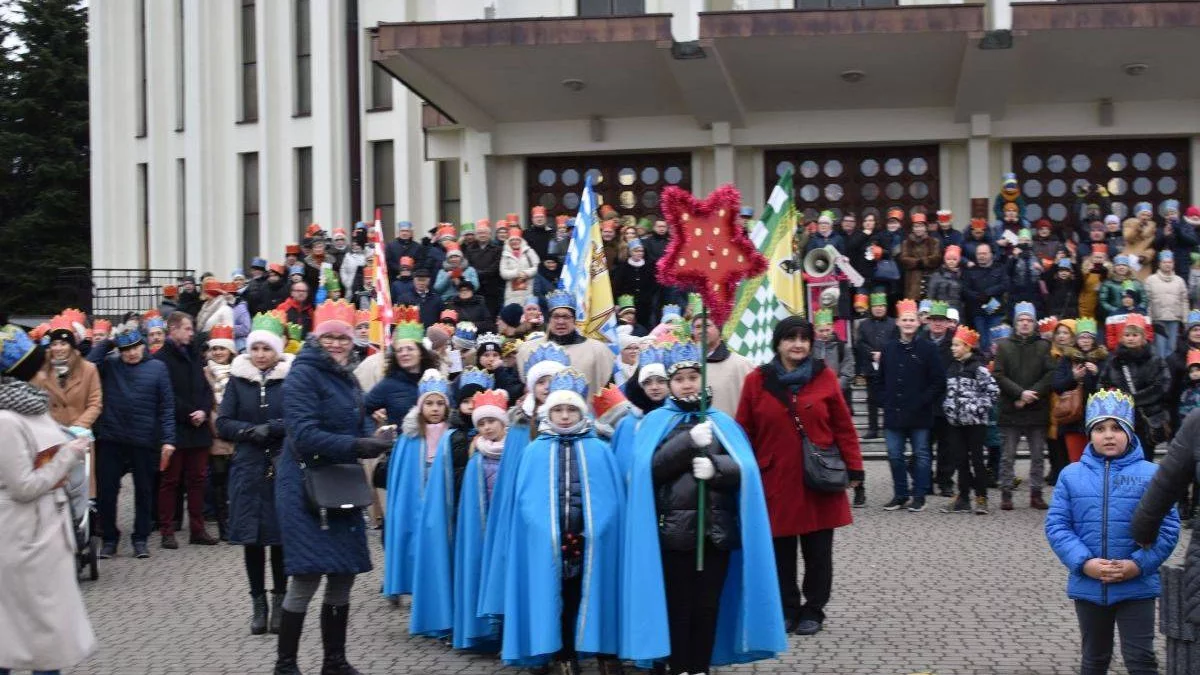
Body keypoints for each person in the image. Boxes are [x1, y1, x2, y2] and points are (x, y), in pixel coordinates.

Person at [272, 300, 392, 675]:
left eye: (343, 337)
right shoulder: (302, 375)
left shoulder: (348, 376)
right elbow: (304, 434)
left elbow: (352, 425)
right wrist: (358, 446)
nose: (338, 344)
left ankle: (334, 661)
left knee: (343, 573)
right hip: (306, 484)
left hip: (340, 481)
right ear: (317, 339)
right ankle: (286, 665)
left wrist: (374, 436)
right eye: (331, 337)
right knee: (307, 576)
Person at [489, 369, 625, 674]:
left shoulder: (600, 449)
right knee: (555, 596)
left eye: (571, 409)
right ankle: (563, 652)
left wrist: (599, 526)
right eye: (559, 410)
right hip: (549, 539)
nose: (565, 416)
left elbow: (612, 499)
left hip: (589, 538)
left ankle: (599, 648)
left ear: (582, 411)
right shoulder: (535, 451)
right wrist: (540, 528)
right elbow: (524, 501)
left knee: (587, 593)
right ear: (548, 412)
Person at [735, 317, 862, 636]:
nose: (798, 344)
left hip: (817, 479)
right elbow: (743, 430)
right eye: (790, 338)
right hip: (774, 480)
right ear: (777, 343)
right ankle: (787, 608)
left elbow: (843, 426)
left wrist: (855, 467)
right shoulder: (757, 380)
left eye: (804, 338)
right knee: (781, 552)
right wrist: (740, 471)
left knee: (819, 552)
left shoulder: (824, 377)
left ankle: (814, 609)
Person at [1046, 390, 1179, 675]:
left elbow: (1168, 528)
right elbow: (1057, 526)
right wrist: (1084, 563)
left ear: (1130, 433)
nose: (1109, 435)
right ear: (1089, 434)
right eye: (1100, 428)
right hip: (1090, 585)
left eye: (1117, 428)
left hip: (1137, 584)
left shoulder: (1152, 474)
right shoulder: (1071, 475)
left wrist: (1137, 564)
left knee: (1141, 659)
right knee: (1094, 658)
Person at [0, 325, 96, 675]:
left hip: (45, 535)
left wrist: (68, 442)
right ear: (26, 374)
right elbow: (23, 485)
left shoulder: (32, 409)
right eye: (42, 369)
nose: (48, 375)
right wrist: (67, 455)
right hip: (22, 538)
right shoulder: (7, 421)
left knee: (47, 638)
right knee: (20, 636)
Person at [216, 314, 292, 635]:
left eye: (267, 349)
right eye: (256, 348)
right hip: (247, 466)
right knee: (252, 539)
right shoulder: (238, 379)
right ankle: (257, 604)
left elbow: (297, 418)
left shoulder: (291, 379)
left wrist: (272, 428)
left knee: (278, 540)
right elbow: (223, 422)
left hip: (280, 464)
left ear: (277, 350)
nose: (261, 354)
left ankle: (280, 602)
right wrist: (249, 431)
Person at [87, 323, 175, 560]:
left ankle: (140, 539)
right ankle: (109, 539)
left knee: (145, 492)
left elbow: (167, 406)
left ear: (142, 346)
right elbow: (88, 364)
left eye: (135, 347)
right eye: (126, 349)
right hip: (111, 437)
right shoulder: (110, 365)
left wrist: (168, 439)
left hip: (144, 439)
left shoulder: (158, 368)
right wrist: (108, 343)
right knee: (107, 491)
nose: (131, 353)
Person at [153, 312, 218, 547]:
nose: (191, 333)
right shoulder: (161, 359)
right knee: (171, 481)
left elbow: (205, 388)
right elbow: (165, 394)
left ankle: (197, 529)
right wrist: (189, 413)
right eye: (188, 329)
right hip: (176, 429)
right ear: (173, 329)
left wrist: (202, 409)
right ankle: (167, 530)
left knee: (198, 480)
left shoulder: (195, 356)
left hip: (198, 429)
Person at [879, 299, 946, 512]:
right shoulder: (888, 348)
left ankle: (919, 495)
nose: (908, 323)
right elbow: (879, 379)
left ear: (918, 323)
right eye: (904, 320)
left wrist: (923, 400)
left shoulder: (928, 348)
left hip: (919, 412)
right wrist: (883, 399)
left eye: (911, 320)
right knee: (894, 454)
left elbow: (938, 381)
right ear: (898, 322)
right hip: (894, 412)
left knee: (922, 455)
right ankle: (900, 494)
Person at [993, 301, 1056, 511]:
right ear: (1015, 323)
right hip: (1011, 409)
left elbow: (1050, 374)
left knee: (1038, 455)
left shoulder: (1043, 346)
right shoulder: (1003, 346)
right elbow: (999, 375)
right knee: (1008, 455)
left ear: (1035, 323)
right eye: (1021, 320)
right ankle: (1006, 493)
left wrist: (1031, 395)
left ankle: (1036, 494)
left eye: (1029, 320)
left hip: (1036, 409)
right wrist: (1019, 393)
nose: (1025, 324)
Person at [37, 316, 102, 496]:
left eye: (63, 344)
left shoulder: (89, 369)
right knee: (54, 489)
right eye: (55, 344)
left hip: (79, 438)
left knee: (79, 488)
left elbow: (95, 402)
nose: (58, 348)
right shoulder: (43, 371)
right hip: (51, 439)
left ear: (72, 347)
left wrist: (78, 427)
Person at [939, 327, 998, 514]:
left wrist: (977, 408)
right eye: (952, 345)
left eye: (957, 345)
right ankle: (963, 497)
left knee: (977, 460)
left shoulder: (978, 368)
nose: (953, 348)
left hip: (975, 424)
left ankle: (981, 497)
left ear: (967, 347)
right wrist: (948, 407)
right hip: (955, 423)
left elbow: (993, 392)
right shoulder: (952, 367)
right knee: (960, 460)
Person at [516, 290, 615, 397]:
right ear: (549, 320)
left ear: (574, 320)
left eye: (566, 317)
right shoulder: (529, 349)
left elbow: (608, 391)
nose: (561, 322)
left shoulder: (597, 350)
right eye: (556, 317)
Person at [1098, 314, 1171, 458]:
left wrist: (1134, 399)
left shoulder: (1155, 361)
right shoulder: (1114, 361)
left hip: (1147, 419)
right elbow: (1102, 385)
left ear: (1143, 337)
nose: (1130, 338)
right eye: (1127, 335)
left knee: (1145, 458)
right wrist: (1114, 395)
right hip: (1121, 419)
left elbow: (1162, 386)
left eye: (1135, 335)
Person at [364, 311, 439, 426]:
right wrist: (374, 433)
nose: (404, 353)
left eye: (410, 349)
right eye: (399, 350)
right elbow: (362, 411)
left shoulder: (435, 379)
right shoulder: (388, 384)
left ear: (421, 353)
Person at [1051, 318, 1107, 465]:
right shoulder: (1067, 359)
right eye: (1082, 337)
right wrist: (1073, 377)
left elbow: (1112, 386)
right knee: (1076, 461)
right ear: (1076, 339)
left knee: (1097, 461)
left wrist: (1097, 374)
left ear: (1094, 339)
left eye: (1089, 337)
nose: (1085, 340)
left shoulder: (1104, 359)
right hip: (1073, 419)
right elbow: (1056, 386)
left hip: (1097, 418)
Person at [205, 325, 237, 540]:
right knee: (218, 481)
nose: (217, 352)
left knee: (235, 482)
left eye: (222, 349)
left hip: (236, 432)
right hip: (215, 432)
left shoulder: (239, 372)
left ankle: (235, 523)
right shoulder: (205, 372)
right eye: (214, 349)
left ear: (230, 351)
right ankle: (223, 526)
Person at [690, 312, 754, 418]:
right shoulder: (688, 367)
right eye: (697, 327)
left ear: (719, 329)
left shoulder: (741, 364)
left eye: (707, 325)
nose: (701, 331)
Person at [962, 243, 1009, 353]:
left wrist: (989, 292)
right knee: (983, 342)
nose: (981, 256)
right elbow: (964, 289)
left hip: (996, 311)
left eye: (984, 253)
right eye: (979, 254)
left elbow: (1005, 284)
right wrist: (977, 296)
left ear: (991, 254)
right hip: (978, 312)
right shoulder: (971, 271)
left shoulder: (999, 268)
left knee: (994, 340)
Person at [1143, 250, 1188, 360]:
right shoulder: (1150, 280)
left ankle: (1170, 372)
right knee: (1159, 348)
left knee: (1172, 347)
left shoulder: (1180, 281)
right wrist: (1148, 319)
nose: (1167, 264)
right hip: (1158, 319)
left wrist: (1185, 319)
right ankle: (1160, 372)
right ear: (1159, 264)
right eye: (1164, 262)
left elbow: (1184, 301)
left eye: (1170, 262)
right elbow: (1147, 301)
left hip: (1174, 319)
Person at [500, 228, 540, 307]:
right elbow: (503, 273)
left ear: (521, 240)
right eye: (512, 240)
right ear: (509, 242)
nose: (515, 242)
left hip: (529, 291)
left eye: (517, 239)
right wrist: (516, 273)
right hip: (511, 294)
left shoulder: (529, 251)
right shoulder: (505, 254)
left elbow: (536, 266)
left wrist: (526, 273)